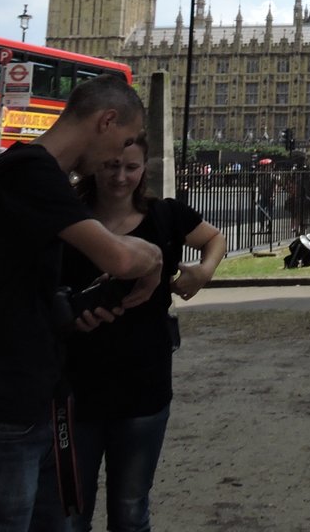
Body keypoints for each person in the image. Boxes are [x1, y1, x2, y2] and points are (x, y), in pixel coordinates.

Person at [0, 75, 164, 532]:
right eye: (121, 142)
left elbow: (17, 289)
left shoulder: (37, 176)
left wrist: (72, 313)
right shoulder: (31, 173)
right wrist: (155, 257)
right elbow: (119, 257)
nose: (115, 159)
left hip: (34, 401)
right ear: (106, 120)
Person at [62, 132, 226, 532]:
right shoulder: (70, 220)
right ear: (94, 165)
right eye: (111, 165)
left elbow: (214, 239)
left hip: (143, 382)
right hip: (77, 384)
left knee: (131, 508)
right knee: (70, 511)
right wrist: (68, 315)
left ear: (144, 170)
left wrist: (203, 272)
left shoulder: (165, 215)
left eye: (131, 167)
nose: (120, 177)